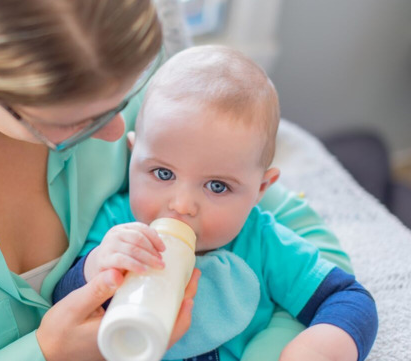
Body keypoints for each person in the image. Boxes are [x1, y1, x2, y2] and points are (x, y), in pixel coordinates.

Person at [0, 1, 351, 360]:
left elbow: (290, 231)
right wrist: (47, 354)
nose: (119, 137)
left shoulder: (121, 67)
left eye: (125, 100)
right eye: (73, 123)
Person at [53, 45, 377, 361]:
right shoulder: (118, 225)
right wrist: (94, 267)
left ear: (260, 189)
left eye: (217, 186)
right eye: (163, 173)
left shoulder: (262, 242)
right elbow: (63, 304)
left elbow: (349, 298)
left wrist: (319, 349)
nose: (181, 205)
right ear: (132, 155)